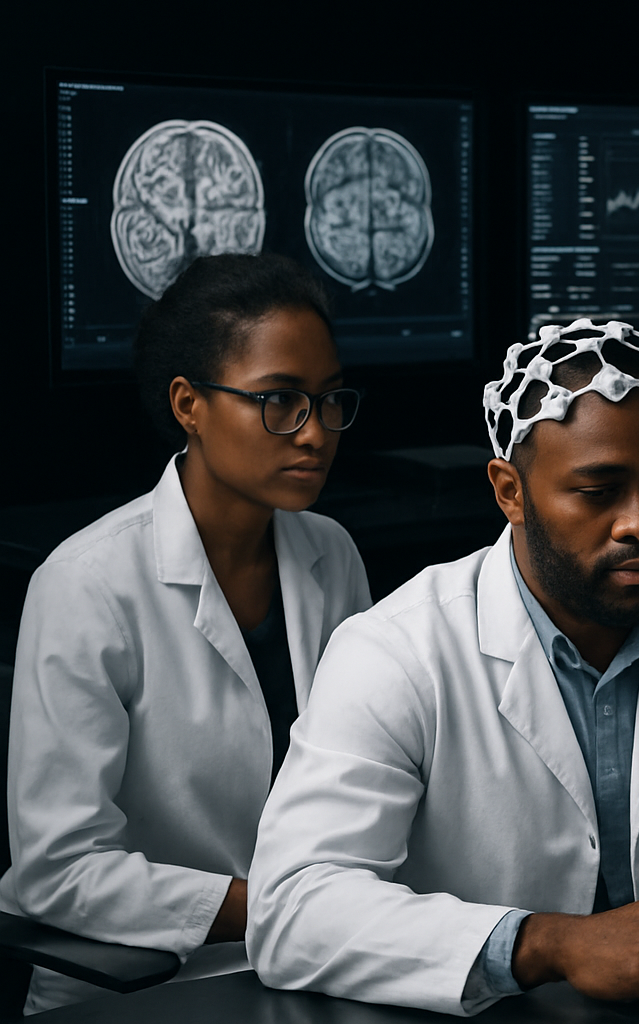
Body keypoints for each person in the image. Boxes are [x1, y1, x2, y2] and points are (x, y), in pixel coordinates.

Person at [246, 319, 639, 1015]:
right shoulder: (393, 651)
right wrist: (551, 945)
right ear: (509, 491)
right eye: (599, 490)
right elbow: (291, 912)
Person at [0, 253, 371, 1013]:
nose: (314, 433)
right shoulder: (86, 584)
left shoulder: (330, 554)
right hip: (137, 984)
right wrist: (279, 904)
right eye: (279, 401)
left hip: (311, 961)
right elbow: (56, 870)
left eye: (330, 401)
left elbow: (366, 780)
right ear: (188, 404)